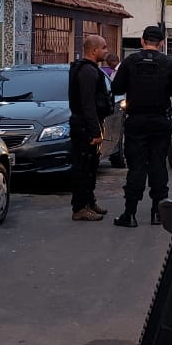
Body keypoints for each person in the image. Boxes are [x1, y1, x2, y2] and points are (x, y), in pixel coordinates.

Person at [111, 25, 172, 228]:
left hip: (136, 120)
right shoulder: (169, 64)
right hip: (160, 121)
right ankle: (158, 213)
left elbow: (116, 87)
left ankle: (130, 214)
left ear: (142, 41)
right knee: (158, 165)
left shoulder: (129, 62)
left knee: (136, 167)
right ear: (161, 42)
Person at [68, 34, 111, 221]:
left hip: (86, 125)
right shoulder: (87, 72)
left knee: (91, 167)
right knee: (83, 167)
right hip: (84, 128)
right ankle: (80, 207)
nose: (107, 51)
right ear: (94, 50)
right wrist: (95, 131)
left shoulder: (89, 69)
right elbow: (88, 105)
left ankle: (89, 201)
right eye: (104, 47)